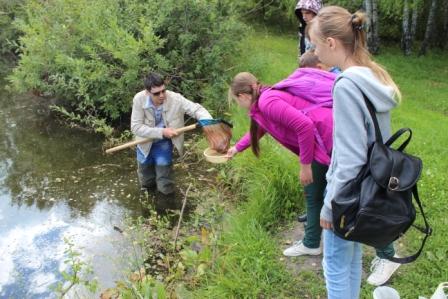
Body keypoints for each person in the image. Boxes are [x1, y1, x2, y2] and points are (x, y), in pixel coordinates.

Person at [308, 6, 403, 298]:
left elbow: (349, 157)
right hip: (368, 190)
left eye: (315, 45)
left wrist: (329, 205)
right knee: (350, 257)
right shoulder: (371, 76)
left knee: (335, 264)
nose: (314, 52)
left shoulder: (346, 85)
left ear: (331, 43)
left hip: (348, 193)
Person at [227, 71, 334, 257]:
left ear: (242, 95)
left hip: (326, 140)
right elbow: (262, 127)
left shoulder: (267, 102)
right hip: (326, 138)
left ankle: (312, 243)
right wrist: (237, 148)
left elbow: (304, 126)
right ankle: (312, 241)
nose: (240, 105)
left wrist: (305, 166)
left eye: (237, 101)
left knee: (316, 193)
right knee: (316, 193)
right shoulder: (265, 100)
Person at [131, 72, 212, 196]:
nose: (162, 95)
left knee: (165, 184)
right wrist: (162, 131)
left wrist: (207, 120)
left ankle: (167, 207)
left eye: (163, 91)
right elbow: (136, 127)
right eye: (157, 93)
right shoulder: (139, 99)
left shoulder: (175, 98)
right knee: (146, 182)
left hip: (164, 145)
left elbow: (196, 109)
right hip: (144, 143)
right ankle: (149, 204)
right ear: (147, 92)